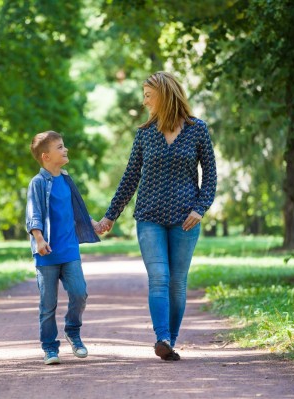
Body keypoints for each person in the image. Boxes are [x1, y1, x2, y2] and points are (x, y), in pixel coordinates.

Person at [97, 71, 217, 361]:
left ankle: (169, 342)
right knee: (159, 277)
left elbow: (210, 176)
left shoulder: (197, 130)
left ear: (165, 94)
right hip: (149, 216)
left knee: (177, 281)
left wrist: (200, 209)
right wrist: (110, 216)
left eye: (148, 95)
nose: (144, 101)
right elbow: (130, 178)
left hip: (185, 220)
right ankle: (161, 336)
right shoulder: (145, 134)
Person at [25, 130, 101, 365]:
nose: (65, 149)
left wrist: (93, 224)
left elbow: (77, 209)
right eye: (59, 147)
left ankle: (73, 330)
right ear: (46, 156)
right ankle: (49, 347)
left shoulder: (67, 180)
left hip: (69, 250)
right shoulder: (38, 183)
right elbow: (33, 213)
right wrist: (38, 239)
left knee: (80, 292)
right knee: (48, 304)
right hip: (46, 253)